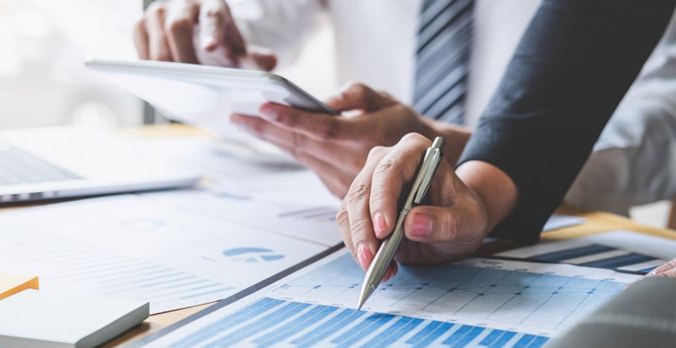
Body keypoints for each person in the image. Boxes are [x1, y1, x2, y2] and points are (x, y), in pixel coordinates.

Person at [134, 0, 676, 278]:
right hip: (350, 213)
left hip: (561, 219)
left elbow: (664, 119)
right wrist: (199, 40)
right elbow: (246, 27)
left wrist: (474, 160)